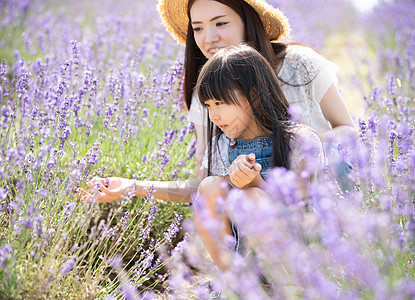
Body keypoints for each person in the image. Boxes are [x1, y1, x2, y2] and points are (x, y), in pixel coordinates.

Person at [77, 0, 355, 204]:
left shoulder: (299, 64)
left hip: (323, 201)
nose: (208, 39)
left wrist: (296, 144)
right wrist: (132, 186)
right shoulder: (210, 98)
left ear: (248, 21)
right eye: (197, 28)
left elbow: (349, 132)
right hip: (253, 218)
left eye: (221, 23)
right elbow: (202, 182)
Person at [192, 44, 326, 269]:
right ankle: (233, 280)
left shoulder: (299, 140)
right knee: (208, 186)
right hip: (244, 257)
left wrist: (255, 183)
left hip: (295, 257)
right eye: (208, 106)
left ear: (253, 95)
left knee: (253, 196)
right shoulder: (221, 145)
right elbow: (216, 204)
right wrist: (232, 181)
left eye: (219, 103)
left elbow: (300, 207)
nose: (213, 115)